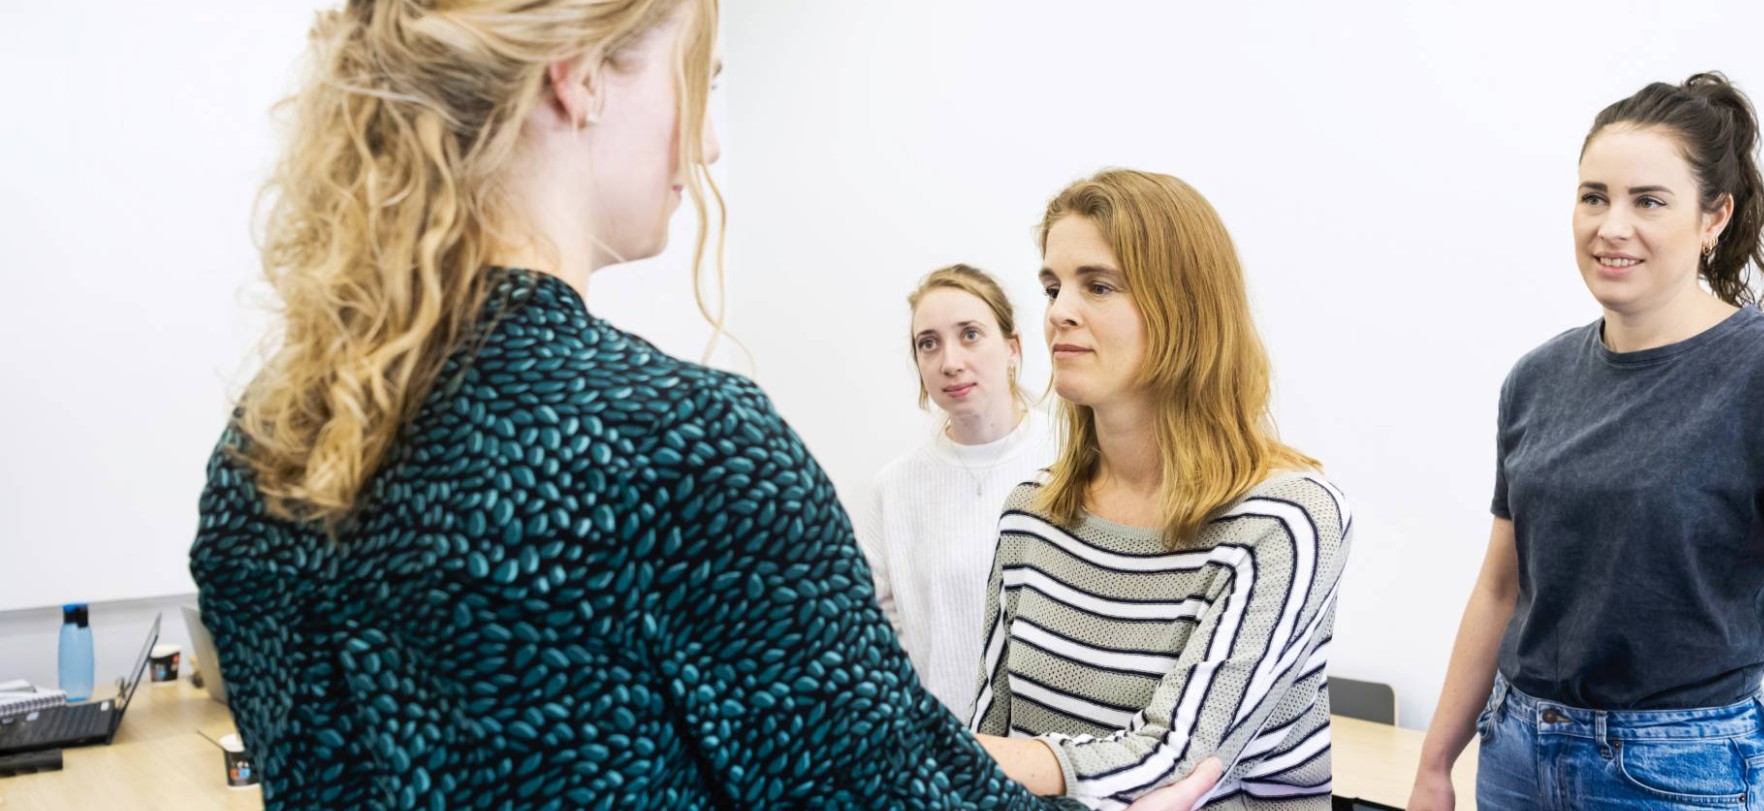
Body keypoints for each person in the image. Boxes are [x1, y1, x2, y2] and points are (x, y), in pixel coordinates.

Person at [187, 2, 1218, 808]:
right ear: (582, 76)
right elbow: (876, 790)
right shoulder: (682, 448)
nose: (711, 143)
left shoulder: (268, 451)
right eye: (700, 81)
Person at [1406, 73, 1764, 810]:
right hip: (1518, 757)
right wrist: (1438, 760)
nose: (1611, 226)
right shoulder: (1536, 378)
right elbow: (1502, 587)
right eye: (1594, 196)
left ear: (1713, 216)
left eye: (1648, 201)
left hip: (1681, 773)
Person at [969, 169, 1350, 809]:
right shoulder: (1028, 515)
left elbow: (1175, 757)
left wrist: (916, 746)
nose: (1059, 311)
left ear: (1186, 309)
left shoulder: (1285, 520)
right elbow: (994, 722)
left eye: (1099, 286)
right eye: (1053, 286)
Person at [857, 264, 1057, 722]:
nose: (950, 361)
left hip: (1059, 756)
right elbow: (871, 637)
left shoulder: (1073, 457)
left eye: (970, 334)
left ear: (1012, 348)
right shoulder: (896, 486)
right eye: (929, 343)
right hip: (945, 756)